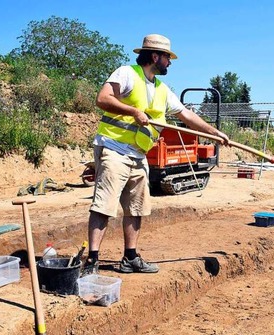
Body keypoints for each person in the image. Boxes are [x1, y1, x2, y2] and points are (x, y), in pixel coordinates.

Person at [85, 34, 230, 274]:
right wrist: (133, 111)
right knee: (104, 205)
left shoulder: (162, 90)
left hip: (138, 154)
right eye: (167, 58)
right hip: (114, 148)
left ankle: (130, 258)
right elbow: (102, 99)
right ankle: (92, 260)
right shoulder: (126, 73)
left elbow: (187, 116)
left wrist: (215, 132)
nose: (170, 63)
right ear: (155, 56)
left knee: (137, 207)